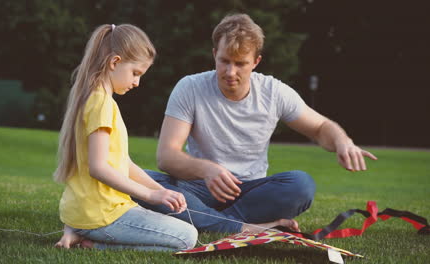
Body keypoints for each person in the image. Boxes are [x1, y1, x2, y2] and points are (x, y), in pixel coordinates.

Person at [135, 14, 378, 233]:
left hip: (250, 191)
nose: (230, 72)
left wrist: (342, 141)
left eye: (240, 63)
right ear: (214, 55)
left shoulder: (274, 91)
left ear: (256, 62)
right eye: (224, 61)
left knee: (301, 185)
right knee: (133, 178)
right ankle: (248, 227)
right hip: (199, 188)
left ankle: (209, 223)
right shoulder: (190, 87)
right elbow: (166, 156)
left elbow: (320, 127)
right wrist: (207, 170)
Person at [53, 24, 197, 251]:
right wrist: (150, 195)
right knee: (187, 237)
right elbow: (98, 168)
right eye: (136, 73)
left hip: (88, 212)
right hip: (102, 214)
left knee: (181, 232)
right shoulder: (101, 104)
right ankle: (92, 244)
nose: (137, 82)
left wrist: (160, 191)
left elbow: (123, 163)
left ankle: (78, 232)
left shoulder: (96, 100)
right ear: (114, 62)